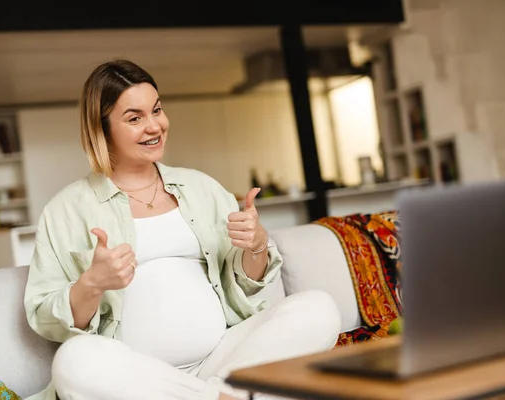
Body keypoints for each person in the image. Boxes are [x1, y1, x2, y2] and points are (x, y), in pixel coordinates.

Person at [23, 59, 341, 400]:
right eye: (135, 118)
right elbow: (46, 318)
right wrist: (92, 283)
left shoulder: (202, 188)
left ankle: (220, 393)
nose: (154, 126)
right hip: (137, 377)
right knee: (74, 361)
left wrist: (257, 245)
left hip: (223, 358)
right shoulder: (65, 209)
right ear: (102, 130)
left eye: (156, 110)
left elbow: (245, 285)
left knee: (319, 307)